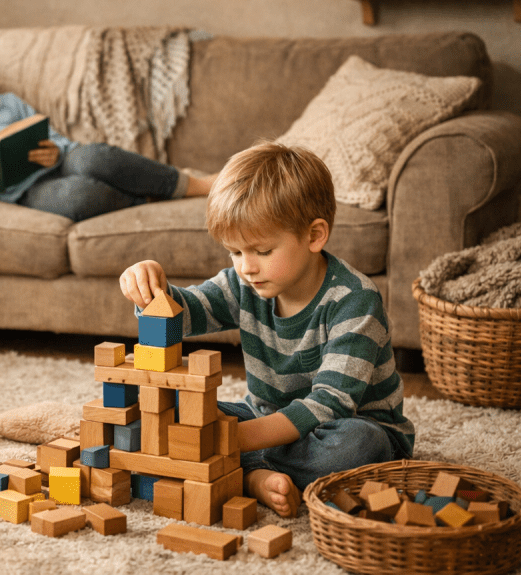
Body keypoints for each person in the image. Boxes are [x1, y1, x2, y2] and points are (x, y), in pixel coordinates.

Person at [119, 142, 415, 518]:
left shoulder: (354, 301)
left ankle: (237, 471)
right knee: (160, 408)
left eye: (261, 251)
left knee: (359, 446)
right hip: (262, 419)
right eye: (235, 252)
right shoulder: (244, 284)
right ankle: (250, 474)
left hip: (347, 426)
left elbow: (329, 404)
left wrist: (229, 440)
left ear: (314, 236)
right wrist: (152, 289)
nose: (247, 267)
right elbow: (184, 316)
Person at [0, 33, 217, 222]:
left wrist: (55, 151)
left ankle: (194, 185)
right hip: (24, 192)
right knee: (79, 196)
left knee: (94, 156)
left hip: (60, 163)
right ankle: (147, 200)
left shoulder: (6, 103)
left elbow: (53, 138)